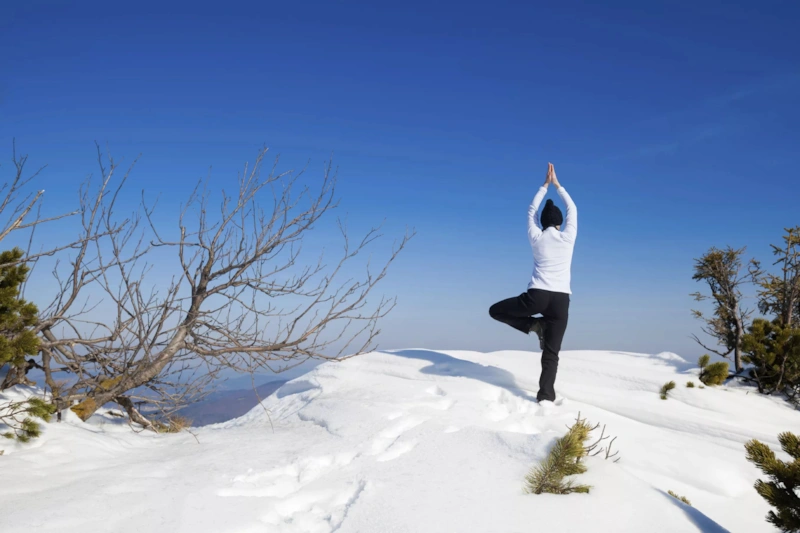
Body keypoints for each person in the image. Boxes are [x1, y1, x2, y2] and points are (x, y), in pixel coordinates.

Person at [488, 163, 577, 403]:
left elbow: (530, 211)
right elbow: (572, 208)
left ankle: (533, 326)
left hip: (536, 297)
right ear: (559, 223)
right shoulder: (568, 238)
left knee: (495, 311)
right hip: (560, 301)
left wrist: (543, 186)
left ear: (542, 222)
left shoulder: (536, 237)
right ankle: (545, 397)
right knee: (551, 354)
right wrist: (557, 186)